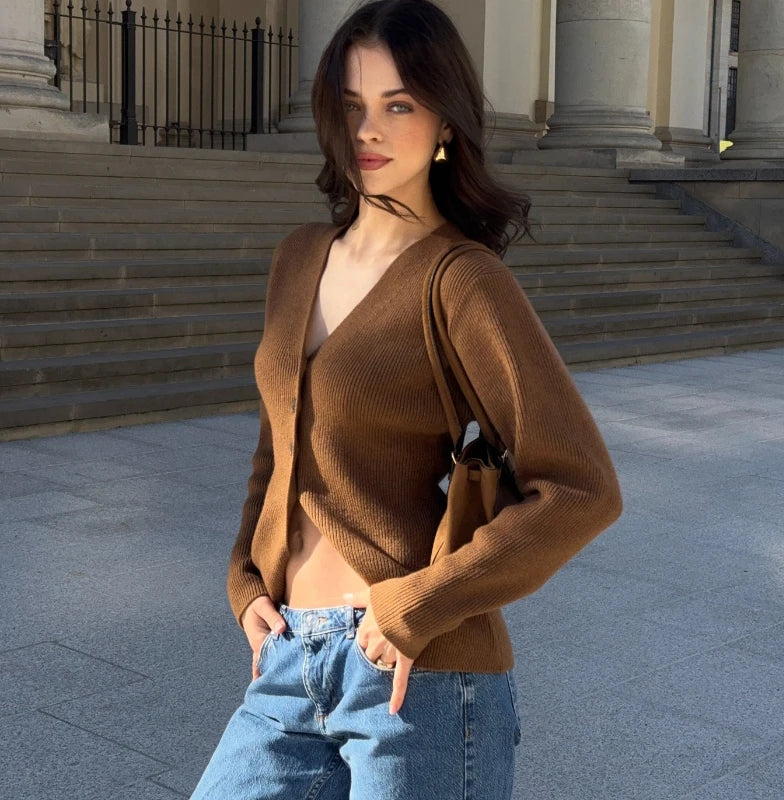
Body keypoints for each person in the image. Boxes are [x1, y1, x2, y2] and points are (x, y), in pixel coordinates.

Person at [190, 1, 623, 798]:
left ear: (445, 122)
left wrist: (418, 606)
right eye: (351, 104)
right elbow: (277, 448)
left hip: (417, 676)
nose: (369, 130)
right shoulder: (299, 258)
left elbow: (583, 487)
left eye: (398, 106)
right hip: (286, 661)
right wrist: (245, 579)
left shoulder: (462, 280)